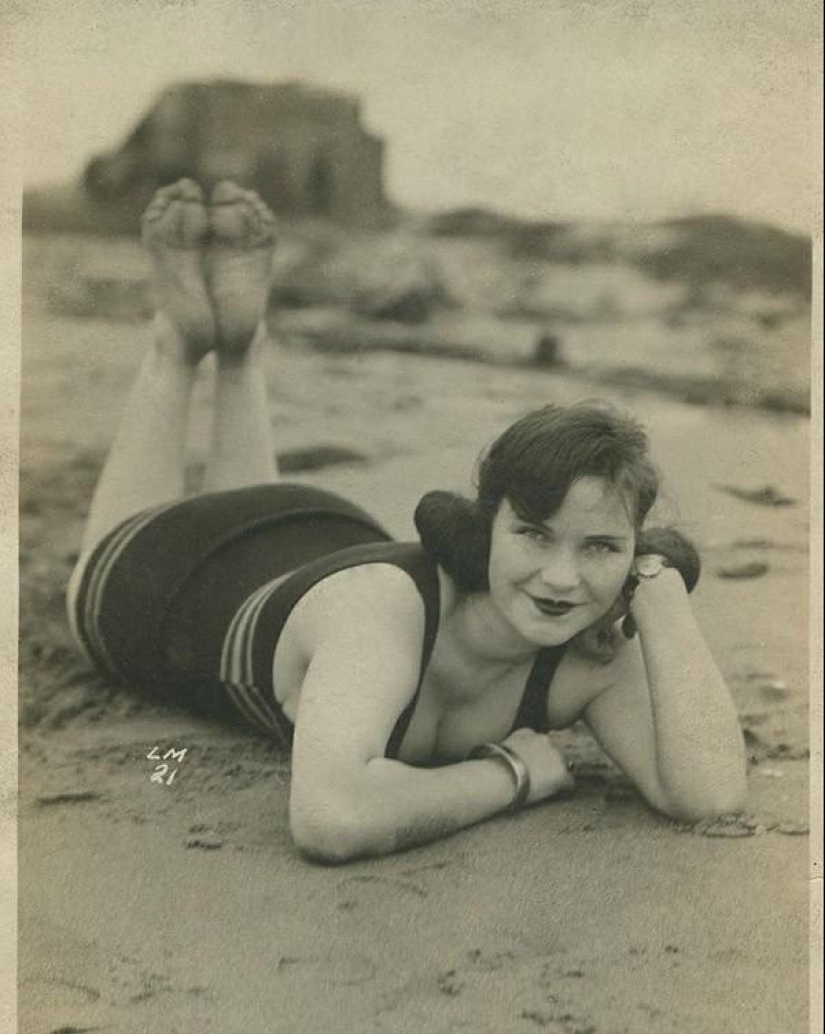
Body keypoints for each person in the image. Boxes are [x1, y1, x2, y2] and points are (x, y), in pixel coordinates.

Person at [67, 180, 748, 863]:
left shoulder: (591, 647)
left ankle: (242, 354)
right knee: (100, 577)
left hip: (317, 535)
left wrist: (662, 602)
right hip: (173, 575)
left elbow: (708, 792)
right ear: (487, 526)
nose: (562, 577)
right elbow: (331, 818)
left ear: (632, 551)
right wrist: (508, 774)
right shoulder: (384, 612)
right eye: (533, 533)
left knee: (284, 593)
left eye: (600, 546)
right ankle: (177, 345)